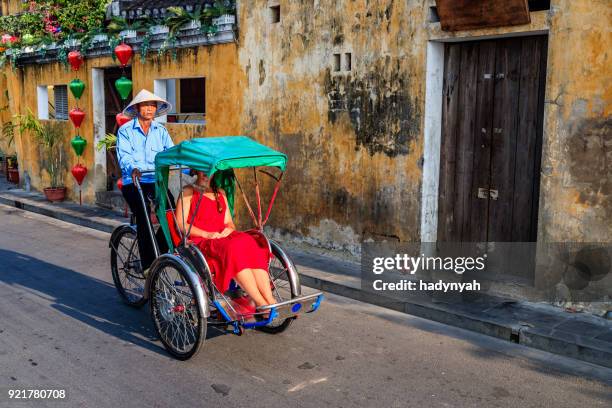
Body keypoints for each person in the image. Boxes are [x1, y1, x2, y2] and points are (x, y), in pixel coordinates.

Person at [175, 170, 276, 309]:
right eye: (202, 169)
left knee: (249, 242)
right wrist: (208, 235)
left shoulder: (220, 192)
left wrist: (228, 229)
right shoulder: (188, 192)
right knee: (233, 249)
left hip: (223, 237)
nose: (206, 173)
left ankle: (270, 300)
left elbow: (229, 222)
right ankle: (261, 303)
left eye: (209, 170)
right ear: (196, 170)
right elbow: (181, 224)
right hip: (201, 241)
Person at [116, 89, 174, 271]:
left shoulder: (161, 131)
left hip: (155, 181)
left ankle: (158, 253)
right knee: (144, 217)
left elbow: (171, 153)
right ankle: (148, 265)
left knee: (173, 216)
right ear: (137, 108)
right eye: (145, 105)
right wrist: (132, 168)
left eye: (152, 105)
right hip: (134, 181)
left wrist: (190, 168)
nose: (149, 109)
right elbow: (124, 155)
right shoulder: (126, 131)